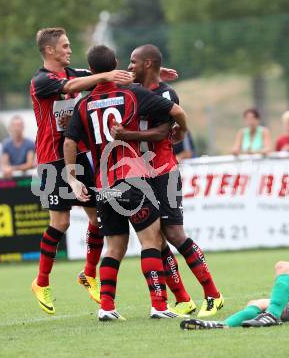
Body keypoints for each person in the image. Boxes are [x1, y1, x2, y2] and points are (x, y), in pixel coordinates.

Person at [64, 44, 190, 321]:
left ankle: (106, 307)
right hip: (132, 178)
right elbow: (175, 111)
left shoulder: (83, 104)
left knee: (114, 247)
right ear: (117, 65)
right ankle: (159, 305)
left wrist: (72, 179)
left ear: (92, 70)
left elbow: (70, 141)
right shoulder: (131, 93)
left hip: (103, 184)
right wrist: (180, 130)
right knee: (151, 239)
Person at [112, 44, 224, 318]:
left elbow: (164, 130)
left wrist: (127, 136)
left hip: (165, 172)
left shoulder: (165, 93)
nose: (130, 67)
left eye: (133, 62)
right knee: (156, 239)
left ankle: (213, 295)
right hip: (143, 175)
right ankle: (183, 299)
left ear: (147, 64)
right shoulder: (135, 90)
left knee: (174, 234)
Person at [29, 27, 134, 315]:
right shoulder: (42, 81)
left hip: (77, 155)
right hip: (52, 159)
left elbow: (106, 75)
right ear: (49, 50)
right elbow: (71, 88)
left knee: (98, 218)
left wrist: (151, 72)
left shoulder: (73, 72)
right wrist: (103, 76)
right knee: (60, 223)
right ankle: (41, 282)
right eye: (64, 45)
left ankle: (88, 274)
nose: (69, 49)